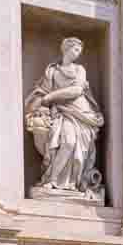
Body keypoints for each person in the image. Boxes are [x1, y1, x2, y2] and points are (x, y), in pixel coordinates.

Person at [24, 37, 105, 195]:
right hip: (60, 111)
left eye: (79, 51)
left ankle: (66, 182)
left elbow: (76, 90)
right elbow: (41, 92)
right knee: (65, 142)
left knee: (71, 144)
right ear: (66, 49)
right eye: (75, 50)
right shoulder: (52, 70)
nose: (77, 54)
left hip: (80, 112)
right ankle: (52, 181)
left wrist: (50, 97)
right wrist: (41, 103)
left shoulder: (79, 69)